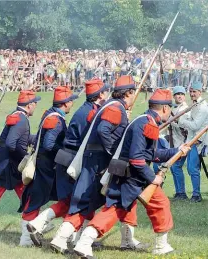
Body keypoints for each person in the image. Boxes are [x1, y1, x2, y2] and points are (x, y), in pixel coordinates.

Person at [72, 89, 190, 257]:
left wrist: (177, 151)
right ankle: (159, 246)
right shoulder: (147, 123)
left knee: (117, 209)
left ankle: (84, 242)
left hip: (128, 173)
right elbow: (137, 159)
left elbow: (152, 155)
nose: (170, 112)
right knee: (123, 208)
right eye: (169, 108)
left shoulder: (145, 120)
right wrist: (153, 178)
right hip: (133, 176)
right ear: (164, 108)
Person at [50, 75, 145, 254]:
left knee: (87, 202)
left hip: (94, 159)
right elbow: (103, 130)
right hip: (97, 161)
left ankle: (61, 238)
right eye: (134, 94)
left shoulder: (114, 107)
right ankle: (71, 240)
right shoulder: (116, 108)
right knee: (85, 201)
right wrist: (112, 152)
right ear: (129, 92)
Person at [26, 79, 110, 247]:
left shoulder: (90, 110)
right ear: (100, 94)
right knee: (73, 200)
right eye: (106, 92)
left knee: (83, 199)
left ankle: (77, 237)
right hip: (73, 160)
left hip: (71, 158)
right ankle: (40, 224)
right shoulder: (90, 113)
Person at [18, 87, 77, 246]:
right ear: (65, 103)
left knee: (55, 198)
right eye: (71, 101)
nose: (72, 104)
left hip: (46, 165)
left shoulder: (51, 115)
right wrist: (65, 153)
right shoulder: (55, 119)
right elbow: (49, 144)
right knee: (36, 199)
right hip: (46, 166)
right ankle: (26, 238)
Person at [0, 91, 41, 237]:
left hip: (5, 164)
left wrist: (38, 139)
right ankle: (31, 228)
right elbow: (11, 143)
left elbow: (20, 137)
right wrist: (24, 158)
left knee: (26, 194)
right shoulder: (21, 119)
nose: (36, 106)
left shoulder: (16, 115)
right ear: (29, 105)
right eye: (35, 103)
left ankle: (32, 225)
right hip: (7, 165)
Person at [179, 82, 208, 202]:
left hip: (198, 141)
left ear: (200, 92)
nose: (192, 94)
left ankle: (196, 195)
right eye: (191, 91)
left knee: (193, 169)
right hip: (191, 140)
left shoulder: (202, 107)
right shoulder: (195, 105)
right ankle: (194, 193)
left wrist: (182, 121)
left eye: (194, 92)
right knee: (190, 168)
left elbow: (196, 125)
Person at [169, 86, 190, 200]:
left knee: (176, 167)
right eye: (177, 94)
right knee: (174, 168)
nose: (180, 96)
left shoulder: (185, 109)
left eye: (182, 94)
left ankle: (181, 193)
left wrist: (174, 121)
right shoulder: (173, 108)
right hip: (175, 142)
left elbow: (184, 126)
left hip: (183, 142)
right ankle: (179, 192)